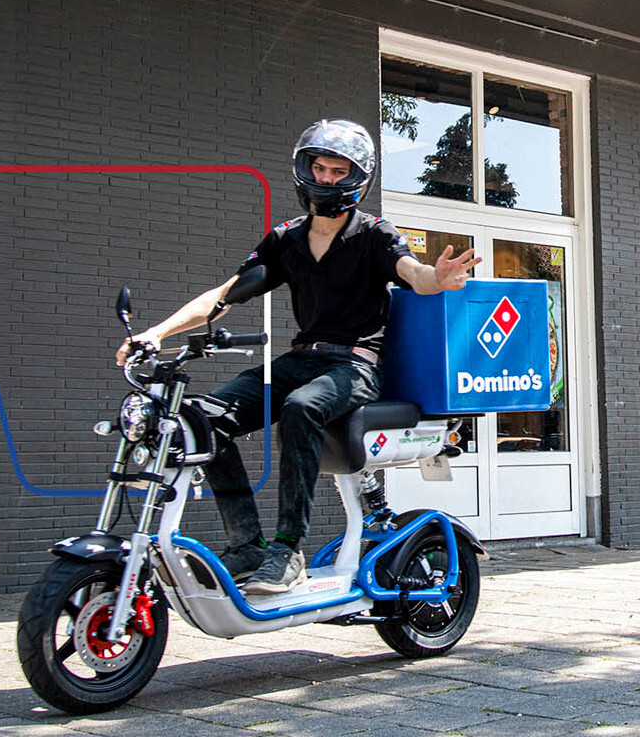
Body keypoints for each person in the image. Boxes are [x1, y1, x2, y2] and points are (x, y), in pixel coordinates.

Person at [116, 119, 480, 594]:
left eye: (338, 171)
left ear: (358, 178)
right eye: (320, 168)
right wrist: (155, 333)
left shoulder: (374, 233)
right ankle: (247, 544)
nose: (326, 178)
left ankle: (287, 550)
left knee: (300, 407)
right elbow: (223, 295)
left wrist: (438, 278)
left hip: (355, 365)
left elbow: (412, 273)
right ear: (304, 170)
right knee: (203, 418)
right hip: (301, 360)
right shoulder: (286, 239)